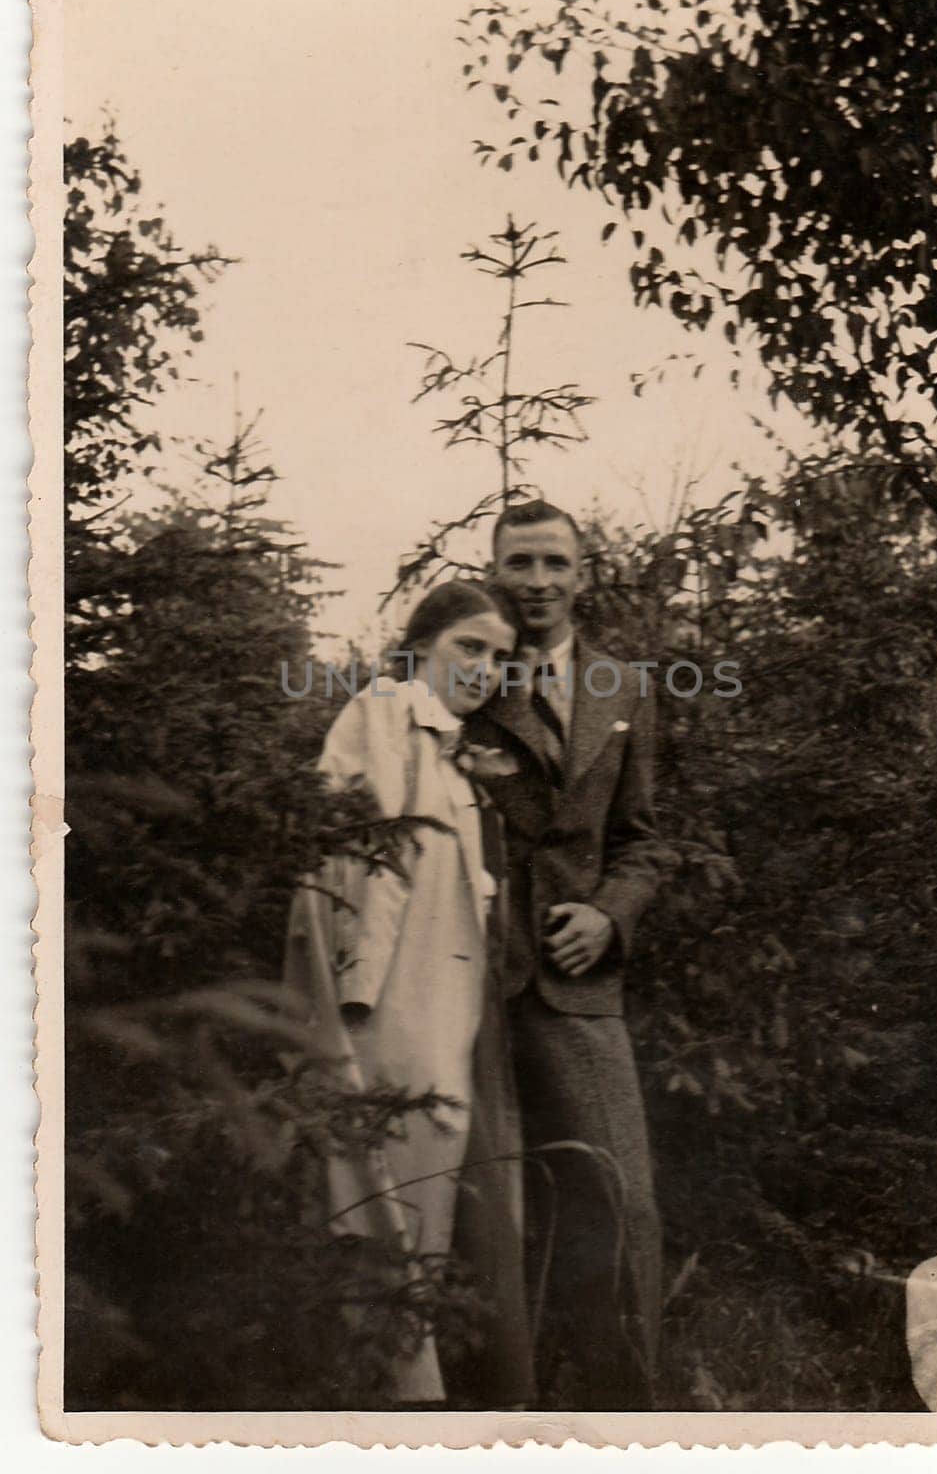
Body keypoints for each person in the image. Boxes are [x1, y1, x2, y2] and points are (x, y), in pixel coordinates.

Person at [284, 579, 534, 1407]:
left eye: (499, 656)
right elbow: (365, 858)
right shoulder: (386, 711)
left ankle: (406, 1389)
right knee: (380, 1180)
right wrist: (356, 996)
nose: (484, 668)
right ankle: (387, 1397)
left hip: (434, 994)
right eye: (469, 646)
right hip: (386, 996)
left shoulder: (445, 740)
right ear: (420, 644)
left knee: (419, 1177)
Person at [465, 499, 666, 1408]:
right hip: (466, 983)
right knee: (479, 1209)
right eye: (519, 564)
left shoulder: (624, 689)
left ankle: (624, 1404)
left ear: (583, 576)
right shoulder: (459, 673)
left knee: (613, 1196)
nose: (537, 582)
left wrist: (608, 917)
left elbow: (644, 841)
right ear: (494, 572)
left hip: (577, 988)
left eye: (554, 563)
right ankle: (487, 1406)